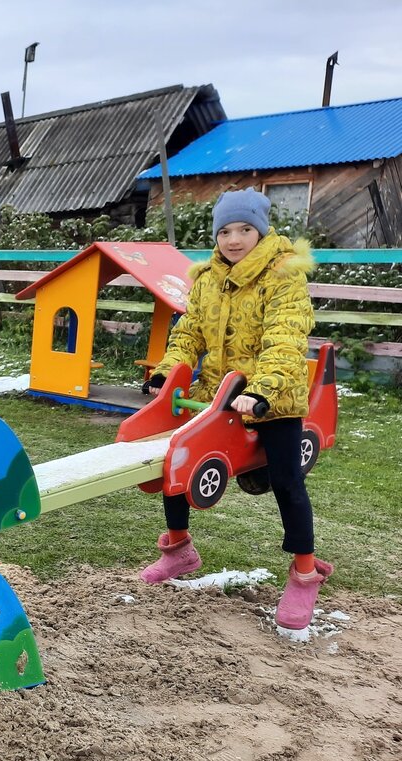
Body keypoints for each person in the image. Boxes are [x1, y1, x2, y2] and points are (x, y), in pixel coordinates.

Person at [139, 187, 332, 632]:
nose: (234, 238)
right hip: (218, 395)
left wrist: (262, 390)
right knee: (177, 455)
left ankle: (305, 571)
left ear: (261, 231)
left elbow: (284, 339)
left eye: (245, 228)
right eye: (225, 230)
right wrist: (167, 372)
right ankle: (179, 548)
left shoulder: (282, 275)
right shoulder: (206, 278)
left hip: (273, 397)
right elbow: (189, 334)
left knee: (286, 479)